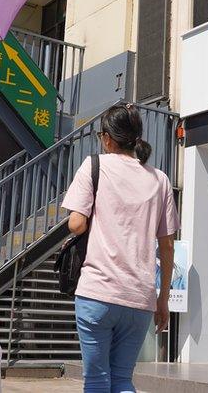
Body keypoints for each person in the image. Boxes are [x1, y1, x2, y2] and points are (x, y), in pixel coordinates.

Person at [61, 104, 179, 393]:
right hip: (139, 297)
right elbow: (167, 246)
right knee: (123, 379)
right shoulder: (160, 179)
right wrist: (162, 300)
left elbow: (76, 224)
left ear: (107, 139)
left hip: (98, 292)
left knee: (98, 380)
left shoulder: (94, 165)